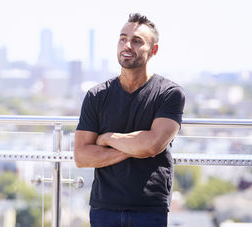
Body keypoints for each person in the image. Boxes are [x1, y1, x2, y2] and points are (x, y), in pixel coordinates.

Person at [74, 13, 185, 227]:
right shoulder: (97, 95)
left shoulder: (169, 93)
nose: (127, 45)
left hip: (149, 207)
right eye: (123, 38)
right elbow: (81, 156)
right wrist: (137, 147)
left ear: (154, 50)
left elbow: (153, 145)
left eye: (136, 41)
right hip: (103, 207)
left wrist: (107, 138)